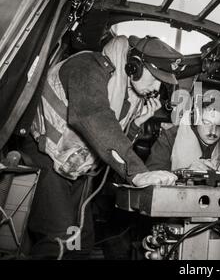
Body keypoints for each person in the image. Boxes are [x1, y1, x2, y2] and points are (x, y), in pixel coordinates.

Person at [23, 35, 181, 258]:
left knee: (81, 242)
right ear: (133, 65)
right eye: (155, 78)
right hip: (46, 158)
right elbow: (94, 116)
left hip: (75, 169)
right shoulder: (87, 66)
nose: (157, 88)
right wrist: (137, 173)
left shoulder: (130, 93)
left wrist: (136, 123)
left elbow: (113, 140)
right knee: (59, 240)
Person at [145, 86, 220, 189]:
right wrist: (185, 173)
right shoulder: (171, 137)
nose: (213, 132)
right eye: (206, 122)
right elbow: (149, 177)